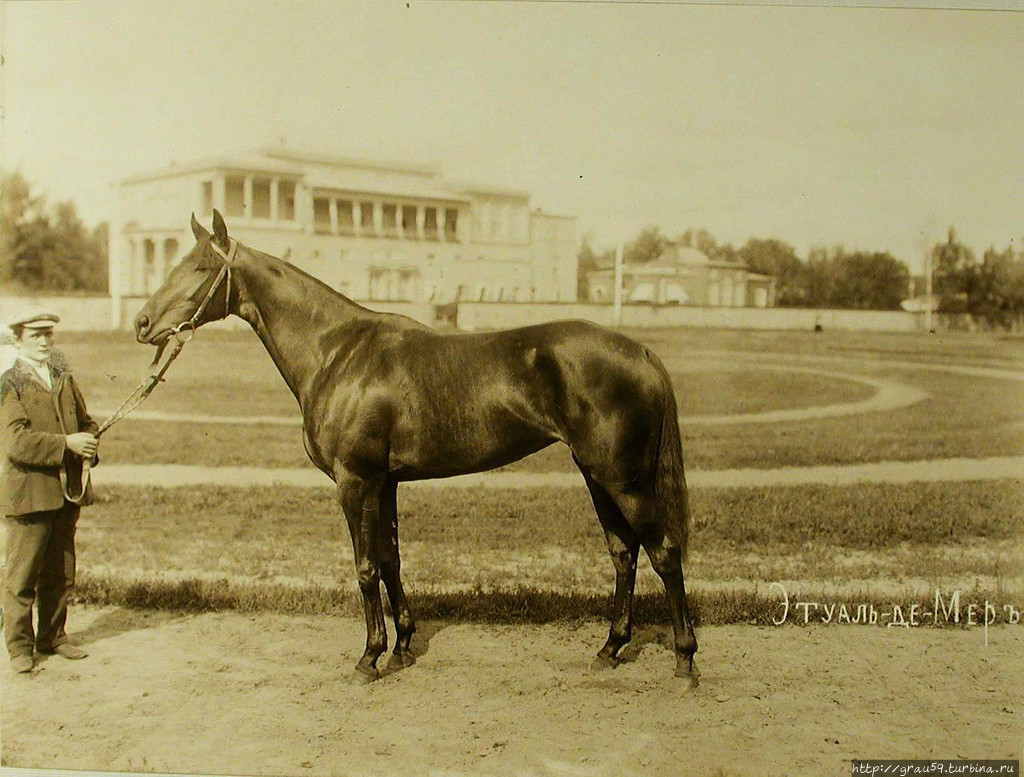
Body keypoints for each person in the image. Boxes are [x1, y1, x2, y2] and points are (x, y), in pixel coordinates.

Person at [1, 305, 98, 673]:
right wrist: (67, 444)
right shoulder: (8, 383)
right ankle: (19, 648)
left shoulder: (63, 377)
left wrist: (90, 443)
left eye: (48, 334)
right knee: (22, 576)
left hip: (65, 492)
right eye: (35, 335)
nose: (43, 341)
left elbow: (86, 423)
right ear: (18, 339)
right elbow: (16, 442)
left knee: (60, 571)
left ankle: (54, 637)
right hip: (29, 494)